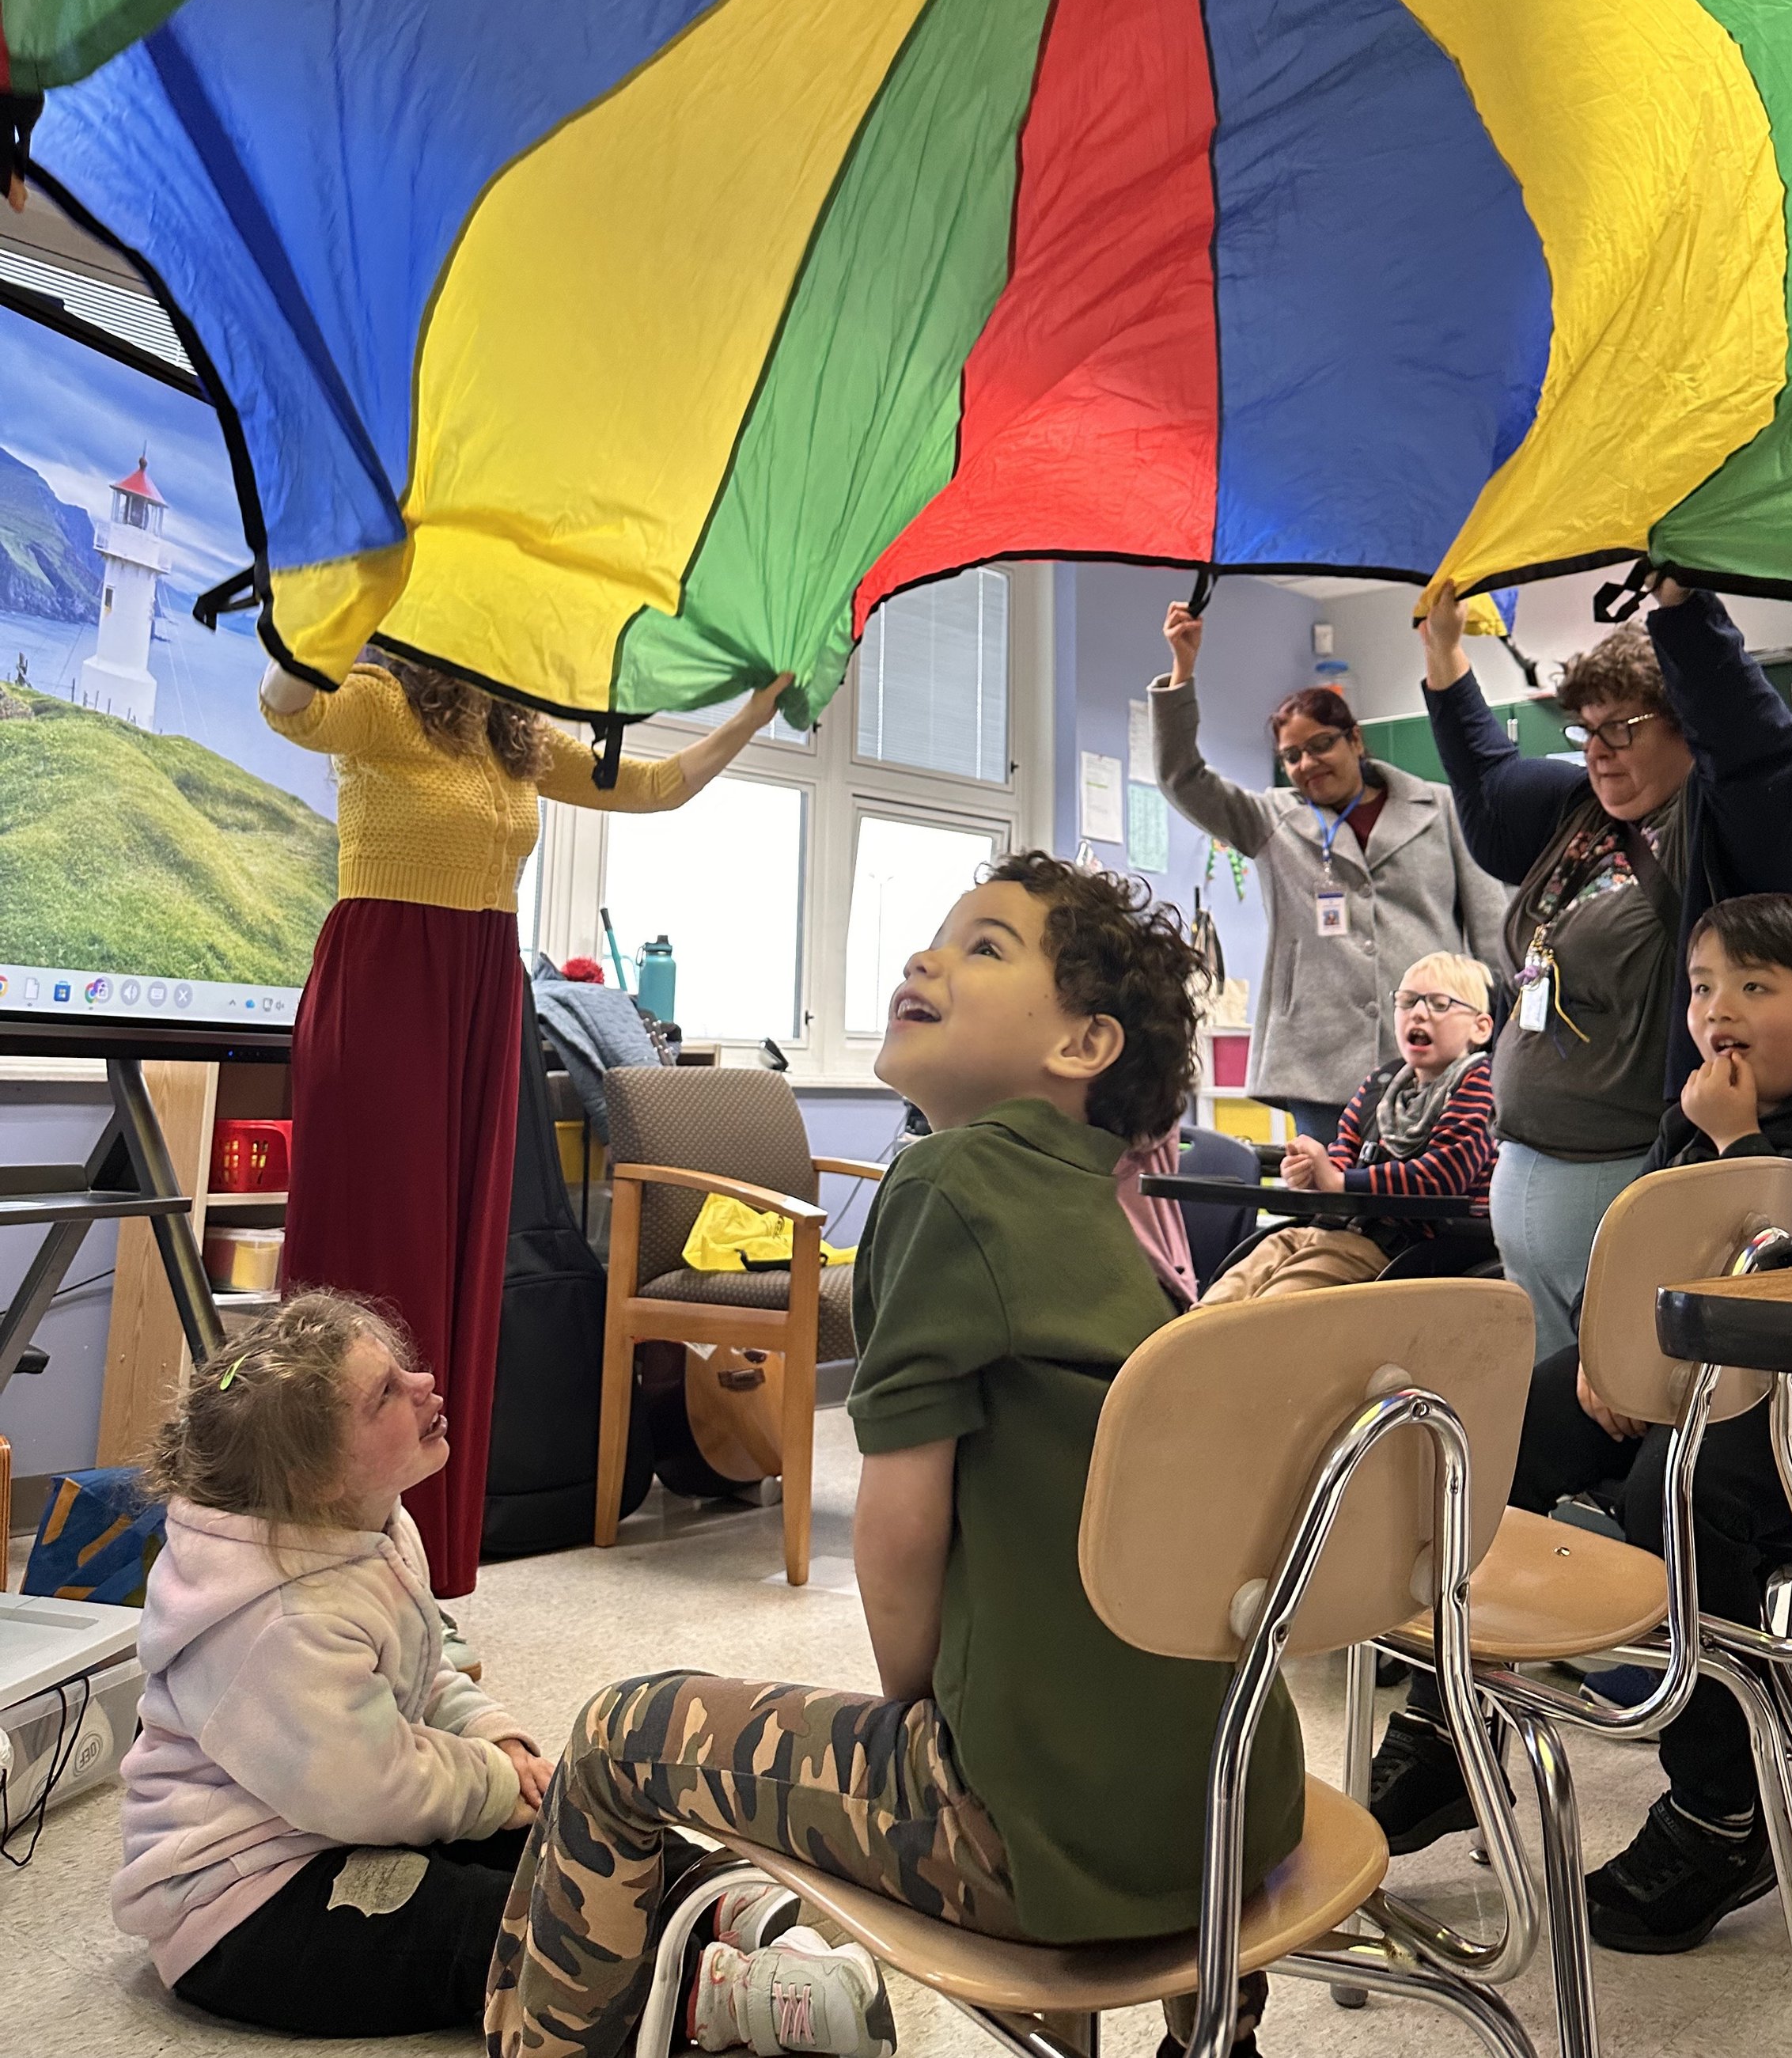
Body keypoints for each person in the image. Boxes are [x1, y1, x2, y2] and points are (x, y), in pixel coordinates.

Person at [486, 854, 1305, 2058]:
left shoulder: (947, 1181)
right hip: (1236, 1811)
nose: (926, 960)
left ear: (1083, 1043)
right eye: (935, 939)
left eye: (984, 946)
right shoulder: (1124, 1216)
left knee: (614, 1735)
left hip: (1037, 1838)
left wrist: (915, 1732)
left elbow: (901, 1530)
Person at [1370, 896, 1792, 1954]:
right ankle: (1449, 1722)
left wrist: (1740, 1143)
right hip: (1688, 1396)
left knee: (1675, 1491)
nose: (1717, 1010)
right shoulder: (1688, 1117)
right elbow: (1631, 1252)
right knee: (1495, 1431)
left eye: (1754, 987)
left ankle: (1723, 1814)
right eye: (1701, 987)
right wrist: (1606, 1352)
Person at [260, 647, 786, 1598]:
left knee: (464, 1272)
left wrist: (757, 709)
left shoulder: (510, 735)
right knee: (384, 1262)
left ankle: (427, 1578)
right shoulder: (378, 701)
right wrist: (310, 622)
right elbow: (287, 708)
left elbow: (659, 786)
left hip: (486, 993)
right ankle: (329, 1567)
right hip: (389, 983)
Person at [1418, 578, 1792, 1356]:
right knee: (1556, 1421)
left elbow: (1756, 754)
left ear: (1688, 727)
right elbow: (1483, 784)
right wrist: (1443, 652)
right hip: (1524, 1174)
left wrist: (1682, 611)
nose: (1599, 752)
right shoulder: (1579, 808)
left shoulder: (1721, 822)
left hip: (1635, 1172)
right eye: (1586, 731)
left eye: (1623, 728)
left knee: (1630, 1406)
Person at [114, 1292, 551, 2036]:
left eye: (402, 1370)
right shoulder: (280, 1619)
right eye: (386, 1392)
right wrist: (496, 1782)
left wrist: (498, 1741)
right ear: (315, 1477)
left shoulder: (362, 1522)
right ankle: (718, 1987)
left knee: (565, 1828)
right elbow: (374, 1787)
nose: (423, 1384)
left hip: (342, 1817)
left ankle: (706, 1895)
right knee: (494, 1928)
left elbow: (424, 1664)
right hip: (250, 1905)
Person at [1153, 598, 1504, 1149]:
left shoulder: (1442, 808)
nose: (1308, 763)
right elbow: (1183, 778)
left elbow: (1490, 929)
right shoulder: (1273, 820)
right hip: (1318, 1056)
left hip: (1431, 1048)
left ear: (1355, 740)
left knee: (1423, 1200)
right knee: (1328, 1202)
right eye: (1292, 756)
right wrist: (1182, 672)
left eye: (1321, 745)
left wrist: (1496, 1033)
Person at [1200, 951, 1496, 1302]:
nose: (1418, 1012)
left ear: (1480, 1027)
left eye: (1439, 1004)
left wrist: (1341, 1182)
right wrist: (1311, 1174)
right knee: (1226, 1294)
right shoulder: (1382, 1083)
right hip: (1337, 1231)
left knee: (1268, 1309)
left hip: (1406, 1246)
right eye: (1407, 1001)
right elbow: (1343, 1152)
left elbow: (1443, 1177)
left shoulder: (1481, 1085)